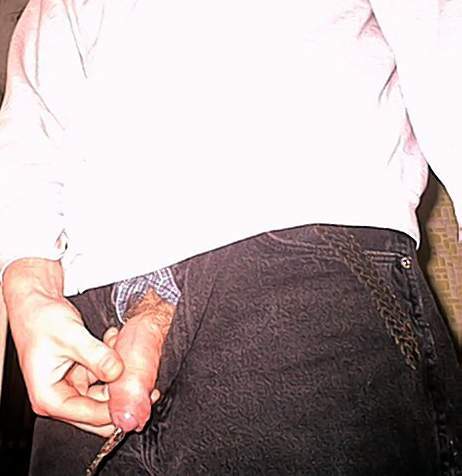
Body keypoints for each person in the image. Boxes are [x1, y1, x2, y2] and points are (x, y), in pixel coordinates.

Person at [1, 0, 461, 474]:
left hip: (302, 246)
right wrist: (29, 281)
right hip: (90, 311)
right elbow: (34, 100)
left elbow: (448, 42)